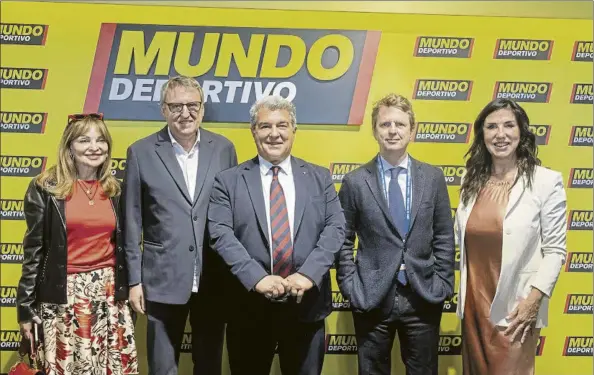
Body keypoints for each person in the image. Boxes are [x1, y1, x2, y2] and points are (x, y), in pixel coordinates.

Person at [207, 95, 346, 375]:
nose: (274, 134)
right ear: (253, 131)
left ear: (294, 130)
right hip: (248, 308)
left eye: (282, 125)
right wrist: (257, 278)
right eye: (265, 126)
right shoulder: (229, 181)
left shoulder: (319, 178)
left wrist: (308, 274)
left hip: (306, 307)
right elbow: (220, 234)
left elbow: (336, 228)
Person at [121, 76, 238, 375]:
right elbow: (132, 221)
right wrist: (134, 281)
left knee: (209, 364)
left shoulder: (224, 148)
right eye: (176, 106)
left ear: (202, 108)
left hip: (214, 278)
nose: (185, 113)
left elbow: (234, 214)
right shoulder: (141, 152)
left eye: (192, 105)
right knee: (162, 366)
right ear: (163, 109)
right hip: (161, 278)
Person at [336, 93, 455, 375]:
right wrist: (351, 286)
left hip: (423, 295)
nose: (392, 131)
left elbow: (444, 236)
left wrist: (442, 283)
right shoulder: (355, 182)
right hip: (372, 296)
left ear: (412, 130)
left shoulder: (433, 178)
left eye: (400, 124)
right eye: (385, 124)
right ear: (375, 130)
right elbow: (342, 240)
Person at [16, 113, 138, 375]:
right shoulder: (45, 188)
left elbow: (126, 247)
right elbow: (33, 251)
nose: (94, 147)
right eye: (84, 140)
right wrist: (25, 309)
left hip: (108, 297)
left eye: (101, 140)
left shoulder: (116, 190)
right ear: (69, 146)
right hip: (64, 297)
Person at [455, 98, 567, 375]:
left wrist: (534, 301)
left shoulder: (545, 182)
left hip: (517, 310)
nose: (500, 134)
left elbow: (555, 250)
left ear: (521, 132)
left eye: (508, 125)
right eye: (491, 127)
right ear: (482, 134)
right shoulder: (470, 180)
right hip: (473, 307)